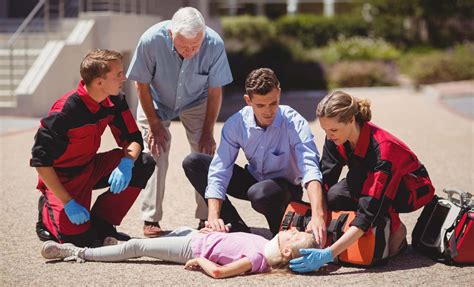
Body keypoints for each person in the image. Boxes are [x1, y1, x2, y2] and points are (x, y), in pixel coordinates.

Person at [289, 91, 435, 273]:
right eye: (325, 130)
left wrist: (328, 254)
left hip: (411, 190)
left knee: (367, 199)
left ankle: (396, 231)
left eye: (333, 130)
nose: (329, 135)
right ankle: (375, 228)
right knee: (333, 195)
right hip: (366, 175)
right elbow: (325, 180)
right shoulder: (335, 138)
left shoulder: (383, 150)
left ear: (351, 120)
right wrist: (317, 216)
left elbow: (368, 211)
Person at [183, 68, 327, 245]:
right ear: (248, 100)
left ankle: (278, 232)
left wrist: (318, 215)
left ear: (279, 94)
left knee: (260, 193)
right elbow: (220, 169)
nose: (268, 111)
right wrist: (213, 217)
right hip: (255, 180)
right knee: (194, 162)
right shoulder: (236, 124)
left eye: (273, 103)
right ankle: (233, 225)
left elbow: (310, 168)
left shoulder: (294, 122)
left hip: (285, 189)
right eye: (260, 105)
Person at [30, 49, 155, 247]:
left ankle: (102, 223)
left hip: (90, 167)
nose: (124, 78)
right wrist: (68, 203)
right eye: (118, 75)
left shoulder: (115, 100)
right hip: (63, 178)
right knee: (80, 241)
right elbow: (40, 161)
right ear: (99, 82)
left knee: (144, 162)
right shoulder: (65, 112)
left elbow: (133, 138)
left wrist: (127, 162)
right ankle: (46, 212)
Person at [126, 7, 233, 237]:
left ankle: (206, 217)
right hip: (155, 98)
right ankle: (150, 218)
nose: (191, 51)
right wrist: (154, 125)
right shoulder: (151, 40)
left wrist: (207, 132)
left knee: (204, 152)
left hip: (198, 99)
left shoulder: (214, 44)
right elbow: (140, 85)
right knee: (155, 150)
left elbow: (215, 92)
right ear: (171, 34)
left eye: (196, 46)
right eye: (184, 46)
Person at [41, 227, 315, 278]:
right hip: (199, 238)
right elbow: (232, 245)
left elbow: (220, 272)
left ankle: (77, 252)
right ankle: (114, 248)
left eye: (295, 235)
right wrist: (217, 234)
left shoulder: (259, 258)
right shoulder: (264, 244)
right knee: (137, 244)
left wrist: (200, 259)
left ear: (288, 249)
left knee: (138, 247)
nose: (291, 229)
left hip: (192, 248)